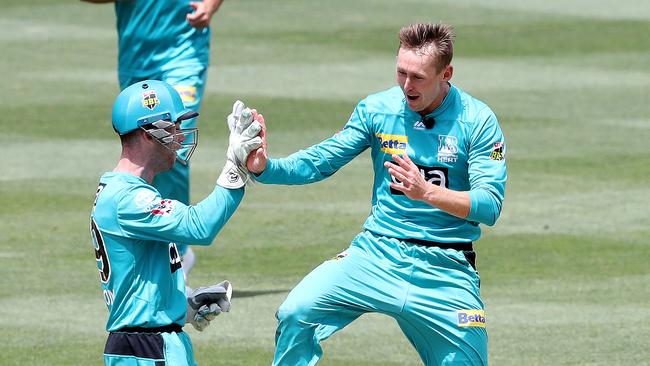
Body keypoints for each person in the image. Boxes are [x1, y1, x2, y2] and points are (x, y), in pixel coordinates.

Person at [247, 23, 507, 365]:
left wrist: (427, 192)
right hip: (377, 254)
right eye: (401, 73)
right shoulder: (378, 109)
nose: (406, 86)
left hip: (445, 271)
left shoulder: (478, 121)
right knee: (297, 312)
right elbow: (321, 160)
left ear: (447, 74)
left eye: (418, 77)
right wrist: (266, 168)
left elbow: (489, 206)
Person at [90, 80, 262, 365]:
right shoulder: (126, 199)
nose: (180, 137)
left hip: (151, 344)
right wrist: (235, 168)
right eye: (173, 128)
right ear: (148, 134)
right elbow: (199, 227)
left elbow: (137, 281)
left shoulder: (126, 193)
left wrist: (185, 305)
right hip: (148, 349)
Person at [82, 0, 226, 277]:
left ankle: (179, 252)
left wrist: (211, 4)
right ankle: (154, 241)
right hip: (136, 55)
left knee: (173, 138)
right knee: (144, 144)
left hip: (184, 48)